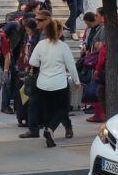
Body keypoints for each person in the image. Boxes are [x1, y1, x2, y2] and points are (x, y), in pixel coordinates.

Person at [29, 18, 80, 147]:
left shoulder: (40, 44)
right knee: (62, 109)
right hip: (59, 83)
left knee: (47, 110)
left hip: (43, 83)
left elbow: (33, 62)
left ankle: (49, 132)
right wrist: (77, 81)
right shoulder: (63, 46)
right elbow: (71, 66)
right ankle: (50, 129)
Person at [16, 17, 40, 128]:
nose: (27, 31)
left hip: (34, 70)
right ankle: (23, 117)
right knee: (24, 94)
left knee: (31, 96)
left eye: (28, 29)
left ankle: (33, 120)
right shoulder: (27, 37)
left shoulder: (37, 39)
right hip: (27, 68)